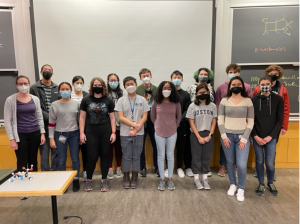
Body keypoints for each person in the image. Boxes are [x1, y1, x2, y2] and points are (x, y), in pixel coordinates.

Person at [218, 76, 254, 202]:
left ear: (243, 86)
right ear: (230, 86)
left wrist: (245, 138)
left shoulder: (248, 101)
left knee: (242, 165)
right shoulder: (224, 101)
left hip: (242, 138)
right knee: (230, 163)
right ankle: (232, 184)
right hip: (227, 137)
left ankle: (241, 188)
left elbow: (250, 122)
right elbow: (220, 120)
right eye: (233, 84)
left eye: (238, 84)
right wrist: (224, 136)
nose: (236, 86)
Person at [252, 65, 290, 180]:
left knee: (270, 154)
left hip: (273, 128)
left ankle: (270, 174)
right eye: (262, 85)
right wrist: (254, 133)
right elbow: (252, 112)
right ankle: (260, 176)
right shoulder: (256, 93)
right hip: (258, 129)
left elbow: (285, 109)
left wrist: (284, 126)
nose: (273, 75)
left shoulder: (282, 90)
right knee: (259, 158)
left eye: (276, 74)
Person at [215, 63, 252, 177]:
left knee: (239, 151)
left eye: (235, 72)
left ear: (239, 73)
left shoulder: (247, 87)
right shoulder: (221, 88)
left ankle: (236, 167)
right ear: (227, 74)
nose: (233, 74)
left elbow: (249, 107)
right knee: (225, 145)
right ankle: (223, 165)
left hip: (241, 126)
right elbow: (217, 104)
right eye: (231, 72)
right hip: (225, 124)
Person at [4, 75, 45, 179]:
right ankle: (22, 185)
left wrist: (42, 133)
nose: (23, 86)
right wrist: (12, 139)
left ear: (29, 84)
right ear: (16, 85)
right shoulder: (10, 100)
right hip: (20, 135)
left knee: (33, 160)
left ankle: (32, 181)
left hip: (35, 133)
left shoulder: (35, 99)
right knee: (22, 160)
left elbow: (39, 116)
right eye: (20, 84)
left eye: (25, 83)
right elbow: (8, 120)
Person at [79, 77, 116, 192]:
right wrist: (81, 133)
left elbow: (113, 118)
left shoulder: (108, 100)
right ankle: (89, 180)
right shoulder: (86, 100)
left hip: (106, 131)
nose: (97, 86)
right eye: (95, 84)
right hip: (90, 132)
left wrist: (113, 132)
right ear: (91, 86)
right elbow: (82, 117)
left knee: (105, 156)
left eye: (99, 85)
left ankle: (104, 181)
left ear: (103, 86)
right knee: (92, 156)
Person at [251, 76, 283, 196]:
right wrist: (255, 136)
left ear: (271, 85)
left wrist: (271, 136)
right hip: (257, 137)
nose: (265, 86)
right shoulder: (253, 100)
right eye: (262, 84)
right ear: (258, 85)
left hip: (271, 137)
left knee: (270, 163)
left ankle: (270, 182)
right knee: (259, 161)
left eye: (267, 83)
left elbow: (280, 120)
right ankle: (260, 183)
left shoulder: (278, 99)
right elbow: (249, 120)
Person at [115, 76, 149, 189]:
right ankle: (126, 177)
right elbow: (120, 117)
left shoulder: (142, 99)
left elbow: (145, 116)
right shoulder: (121, 100)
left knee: (136, 156)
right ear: (124, 87)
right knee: (127, 156)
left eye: (132, 83)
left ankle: (134, 177)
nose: (130, 86)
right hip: (125, 133)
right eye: (127, 84)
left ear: (136, 84)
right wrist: (134, 125)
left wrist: (135, 129)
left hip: (139, 133)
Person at [49, 82, 80, 192]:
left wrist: (81, 134)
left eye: (67, 89)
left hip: (74, 134)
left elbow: (80, 120)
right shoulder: (54, 105)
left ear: (71, 90)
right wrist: (51, 138)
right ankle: (63, 181)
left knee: (75, 158)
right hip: (60, 134)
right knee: (61, 159)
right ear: (59, 91)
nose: (65, 91)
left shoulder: (76, 104)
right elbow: (51, 123)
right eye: (62, 89)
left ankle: (76, 180)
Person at [151, 81, 181, 191]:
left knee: (170, 156)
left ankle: (170, 178)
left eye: (169, 88)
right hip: (159, 132)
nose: (167, 90)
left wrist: (175, 126)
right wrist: (157, 126)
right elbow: (152, 116)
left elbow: (179, 117)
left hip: (172, 132)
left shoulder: (176, 102)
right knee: (160, 155)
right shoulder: (156, 101)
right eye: (164, 88)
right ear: (160, 89)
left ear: (172, 90)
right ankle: (162, 179)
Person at [186, 84, 217, 190]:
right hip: (196, 135)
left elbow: (214, 121)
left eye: (205, 92)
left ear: (208, 93)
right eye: (200, 93)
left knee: (206, 157)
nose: (202, 94)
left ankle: (204, 179)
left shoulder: (212, 106)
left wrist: (210, 135)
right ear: (196, 94)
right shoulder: (192, 106)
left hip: (208, 134)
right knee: (196, 157)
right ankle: (196, 179)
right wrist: (198, 136)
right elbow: (191, 122)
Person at [30, 64, 59, 171]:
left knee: (56, 152)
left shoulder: (57, 87)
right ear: (41, 72)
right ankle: (45, 176)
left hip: (56, 125)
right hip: (42, 125)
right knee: (44, 152)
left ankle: (55, 175)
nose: (47, 71)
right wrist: (50, 118)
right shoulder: (34, 88)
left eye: (50, 70)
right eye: (45, 70)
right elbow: (35, 108)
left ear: (52, 73)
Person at [136, 68, 158, 177]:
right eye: (143, 76)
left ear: (151, 76)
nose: (146, 78)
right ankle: (142, 167)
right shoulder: (137, 90)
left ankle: (157, 167)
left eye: (147, 75)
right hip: (141, 122)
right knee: (140, 145)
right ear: (140, 78)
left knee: (156, 144)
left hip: (154, 122)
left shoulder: (157, 90)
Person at [170, 70, 191, 178]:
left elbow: (187, 111)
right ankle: (168, 168)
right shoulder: (167, 94)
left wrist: (178, 121)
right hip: (168, 127)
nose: (177, 79)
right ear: (171, 79)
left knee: (181, 147)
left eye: (179, 77)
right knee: (168, 148)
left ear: (182, 80)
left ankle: (179, 167)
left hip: (181, 126)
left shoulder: (186, 95)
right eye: (175, 77)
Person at [71, 76, 89, 182]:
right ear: (73, 84)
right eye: (77, 82)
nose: (79, 85)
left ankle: (86, 172)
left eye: (81, 83)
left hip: (85, 127)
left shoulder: (86, 95)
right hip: (72, 127)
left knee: (86, 151)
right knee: (74, 152)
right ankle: (75, 174)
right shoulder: (69, 95)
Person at [107, 73, 124, 179]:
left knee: (119, 147)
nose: (113, 82)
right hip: (108, 125)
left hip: (120, 125)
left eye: (115, 80)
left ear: (118, 81)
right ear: (108, 81)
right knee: (109, 148)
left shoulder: (122, 93)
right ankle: (109, 168)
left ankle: (118, 167)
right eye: (111, 80)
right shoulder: (105, 93)